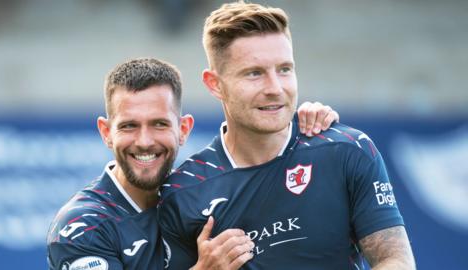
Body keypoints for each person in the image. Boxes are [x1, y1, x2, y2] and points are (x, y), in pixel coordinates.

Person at [158, 2, 416, 270]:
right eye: (254, 73)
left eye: (284, 69)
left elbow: (395, 260)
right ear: (215, 84)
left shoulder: (347, 150)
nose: (275, 88)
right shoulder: (182, 192)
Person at [46, 58, 340, 270]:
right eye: (129, 126)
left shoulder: (200, 194)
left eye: (160, 124)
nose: (145, 141)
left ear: (183, 129)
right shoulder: (81, 227)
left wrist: (301, 124)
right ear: (106, 132)